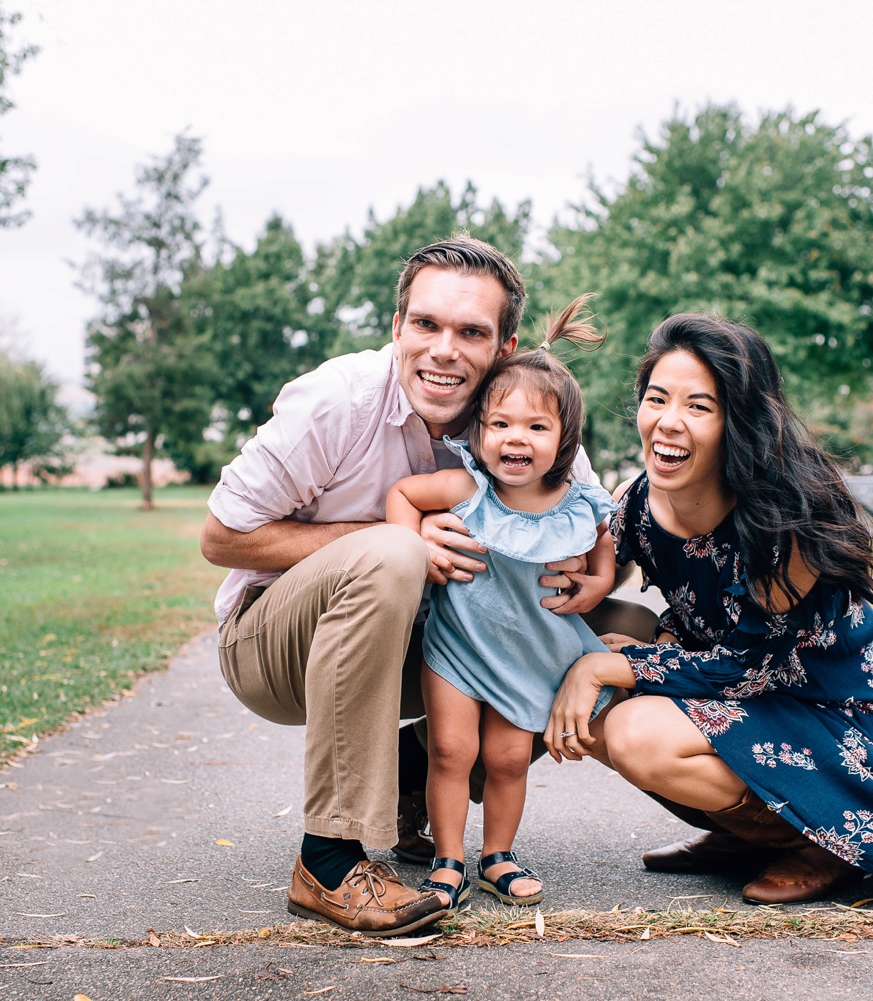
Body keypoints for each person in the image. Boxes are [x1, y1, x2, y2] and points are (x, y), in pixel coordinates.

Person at [199, 237, 650, 936]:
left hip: (428, 639)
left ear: (505, 346)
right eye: (426, 324)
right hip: (275, 644)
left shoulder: (528, 413)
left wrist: (598, 578)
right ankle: (329, 859)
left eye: (470, 332)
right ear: (397, 327)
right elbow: (221, 536)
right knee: (391, 554)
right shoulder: (335, 400)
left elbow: (589, 524)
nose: (443, 350)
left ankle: (420, 787)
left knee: (628, 629)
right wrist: (398, 537)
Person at [543, 313, 873, 907]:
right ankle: (747, 835)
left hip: (837, 719)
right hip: (745, 705)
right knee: (600, 701)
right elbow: (596, 564)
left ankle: (823, 843)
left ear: (738, 420)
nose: (668, 422)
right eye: (656, 399)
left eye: (698, 407)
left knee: (634, 729)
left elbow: (751, 668)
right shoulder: (638, 500)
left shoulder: (785, 521)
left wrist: (615, 666)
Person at [386, 296, 615, 910]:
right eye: (501, 425)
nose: (517, 439)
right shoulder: (466, 487)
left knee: (510, 758)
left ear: (564, 439)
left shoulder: (577, 500)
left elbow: (602, 546)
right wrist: (410, 550)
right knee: (452, 752)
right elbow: (403, 496)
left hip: (527, 652)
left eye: (537, 428)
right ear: (479, 432)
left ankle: (499, 858)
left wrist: (596, 582)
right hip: (457, 649)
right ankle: (447, 860)